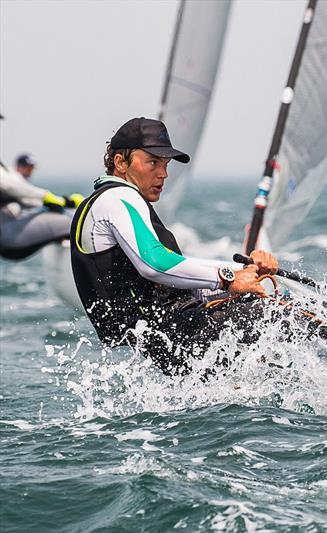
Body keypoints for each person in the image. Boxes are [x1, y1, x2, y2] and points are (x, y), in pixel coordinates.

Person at [70, 117, 283, 375]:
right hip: (176, 331)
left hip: (171, 336)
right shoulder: (117, 197)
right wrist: (228, 278)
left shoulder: (108, 201)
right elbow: (154, 263)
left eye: (165, 164)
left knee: (273, 311)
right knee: (285, 318)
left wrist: (249, 270)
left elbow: (171, 272)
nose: (163, 174)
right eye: (152, 162)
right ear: (121, 163)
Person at [0, 138, 85, 260]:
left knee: (56, 213)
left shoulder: (8, 174)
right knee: (76, 220)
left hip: (8, 236)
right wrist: (46, 196)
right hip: (9, 237)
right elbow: (7, 185)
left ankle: (63, 239)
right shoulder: (8, 176)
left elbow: (26, 200)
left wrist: (62, 201)